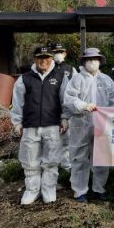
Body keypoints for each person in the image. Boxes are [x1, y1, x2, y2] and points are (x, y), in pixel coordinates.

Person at [11, 46, 69, 205]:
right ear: (34, 59)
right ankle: (32, 190)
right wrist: (17, 122)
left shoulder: (60, 77)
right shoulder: (24, 79)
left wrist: (64, 118)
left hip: (52, 125)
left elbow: (65, 100)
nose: (43, 61)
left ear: (51, 58)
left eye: (46, 58)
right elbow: (17, 102)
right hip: (31, 126)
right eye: (40, 58)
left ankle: (49, 190)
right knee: (30, 161)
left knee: (51, 161)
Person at [64, 48, 114, 202]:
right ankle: (79, 191)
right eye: (89, 60)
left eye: (95, 59)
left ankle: (99, 189)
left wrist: (110, 120)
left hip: (102, 125)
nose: (92, 62)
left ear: (100, 61)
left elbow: (113, 103)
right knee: (79, 158)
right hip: (81, 123)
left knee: (102, 157)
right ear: (84, 62)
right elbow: (69, 98)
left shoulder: (107, 80)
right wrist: (83, 105)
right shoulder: (76, 79)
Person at [50, 42, 76, 170]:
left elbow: (76, 90)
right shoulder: (48, 68)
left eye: (60, 52)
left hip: (67, 111)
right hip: (50, 111)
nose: (58, 54)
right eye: (55, 52)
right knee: (51, 141)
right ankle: (52, 166)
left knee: (67, 140)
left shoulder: (71, 69)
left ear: (65, 53)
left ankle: (66, 167)